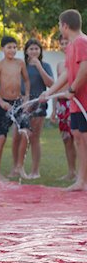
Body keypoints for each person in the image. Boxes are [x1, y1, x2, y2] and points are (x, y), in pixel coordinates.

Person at [41, 10, 87, 191]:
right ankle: (81, 181)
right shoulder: (71, 47)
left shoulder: (82, 42)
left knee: (84, 138)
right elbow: (67, 73)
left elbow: (85, 68)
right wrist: (49, 92)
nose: (59, 28)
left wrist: (72, 89)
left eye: (59, 25)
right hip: (76, 103)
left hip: (84, 101)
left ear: (65, 26)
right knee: (78, 137)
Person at [0, 36, 30, 182]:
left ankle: (19, 166)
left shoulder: (20, 63)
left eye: (14, 47)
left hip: (18, 103)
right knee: (1, 137)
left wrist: (27, 97)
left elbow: (26, 80)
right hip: (4, 103)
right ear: (2, 49)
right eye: (9, 47)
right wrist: (0, 102)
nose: (12, 50)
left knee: (25, 133)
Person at [12, 38, 54, 179]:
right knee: (17, 136)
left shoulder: (45, 65)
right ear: (26, 51)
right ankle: (16, 168)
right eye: (31, 49)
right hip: (21, 104)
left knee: (34, 138)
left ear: (40, 51)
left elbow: (51, 84)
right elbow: (15, 84)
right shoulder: (21, 65)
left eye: (37, 48)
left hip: (38, 104)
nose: (34, 51)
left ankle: (35, 171)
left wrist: (39, 67)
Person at [50, 34, 77, 181]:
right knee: (66, 139)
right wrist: (54, 110)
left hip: (74, 102)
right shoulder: (60, 64)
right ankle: (71, 171)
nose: (65, 46)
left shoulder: (78, 61)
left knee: (78, 138)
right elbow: (57, 86)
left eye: (67, 42)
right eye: (62, 43)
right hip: (61, 104)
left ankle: (81, 173)